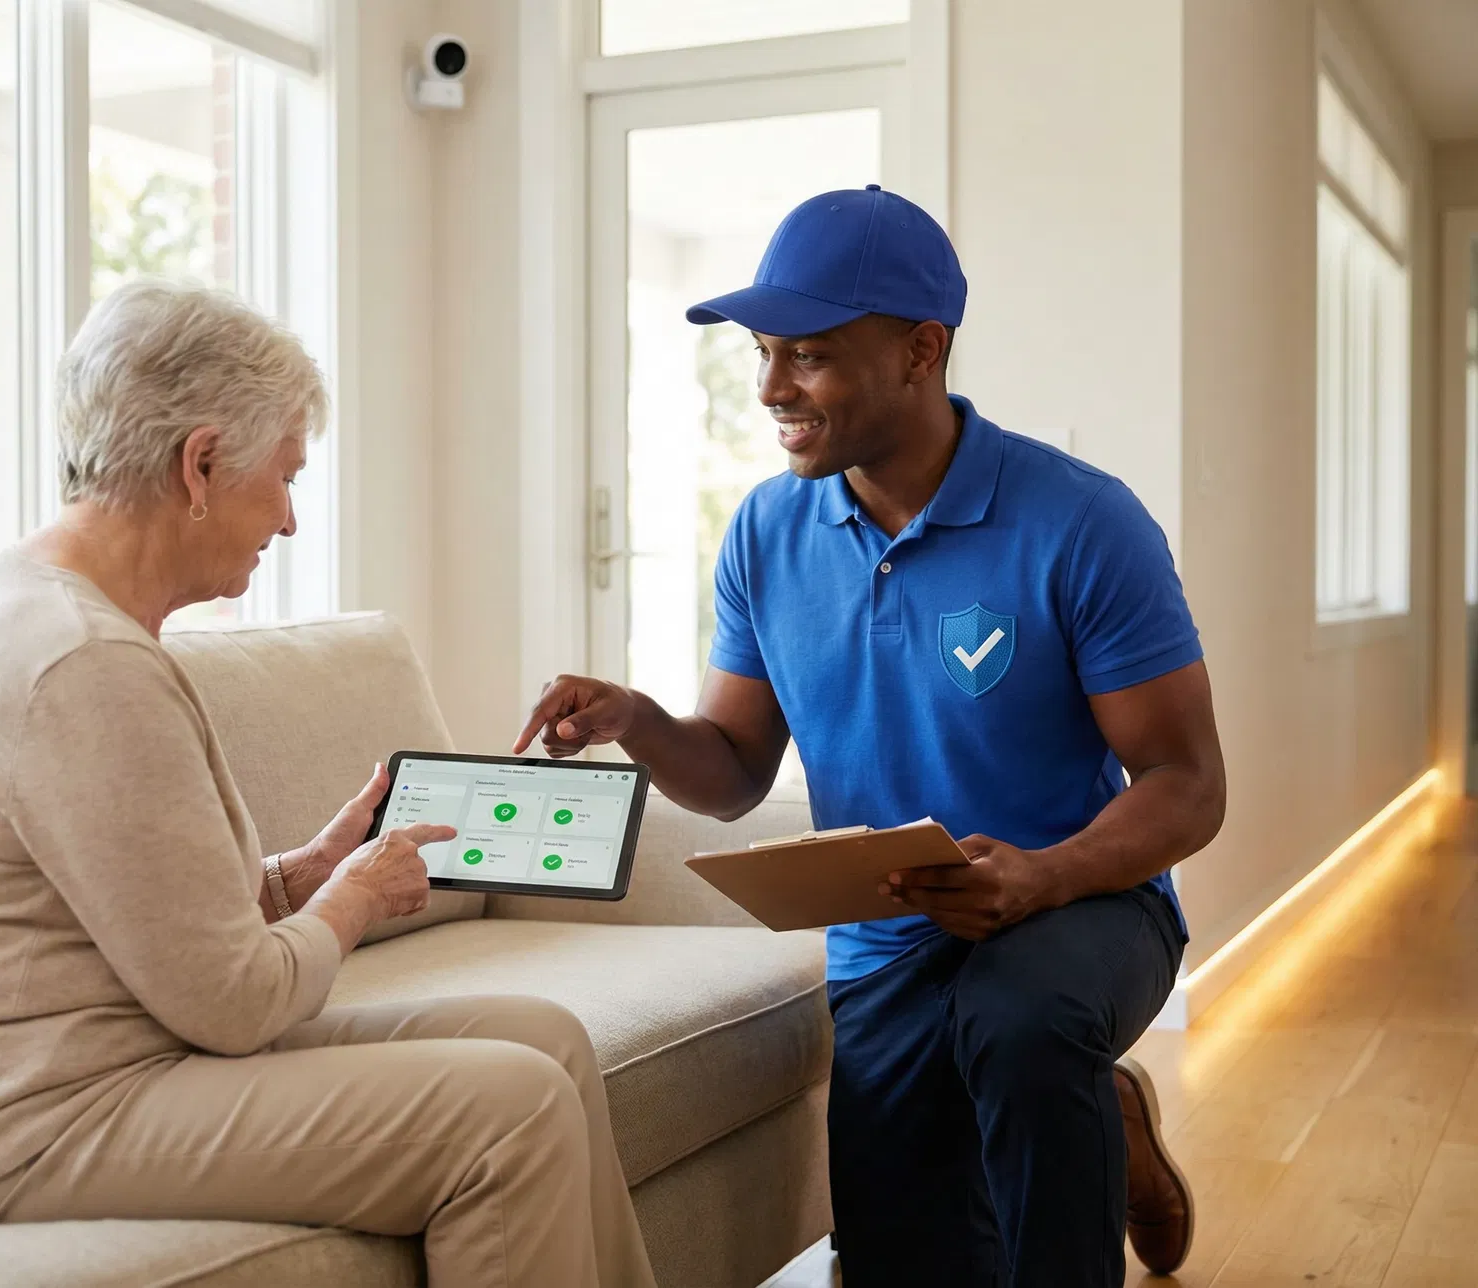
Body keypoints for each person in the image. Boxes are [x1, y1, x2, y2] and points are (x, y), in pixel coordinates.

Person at [0, 279, 657, 1288]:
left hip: (92, 1057)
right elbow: (232, 1004)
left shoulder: (67, 618)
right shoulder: (75, 660)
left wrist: (301, 875)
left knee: (544, 1039)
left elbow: (140, 924)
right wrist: (353, 900)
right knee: (512, 1109)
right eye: (283, 477)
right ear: (200, 463)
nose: (288, 520)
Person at [516, 187, 1222, 1287]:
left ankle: (1072, 1088)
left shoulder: (1084, 521)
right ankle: (1106, 1115)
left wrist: (1041, 876)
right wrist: (642, 723)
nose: (769, 389)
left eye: (806, 355)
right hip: (891, 932)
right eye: (762, 353)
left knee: (1023, 1025)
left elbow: (1186, 783)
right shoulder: (765, 530)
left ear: (920, 352)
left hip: (1085, 903)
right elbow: (738, 772)